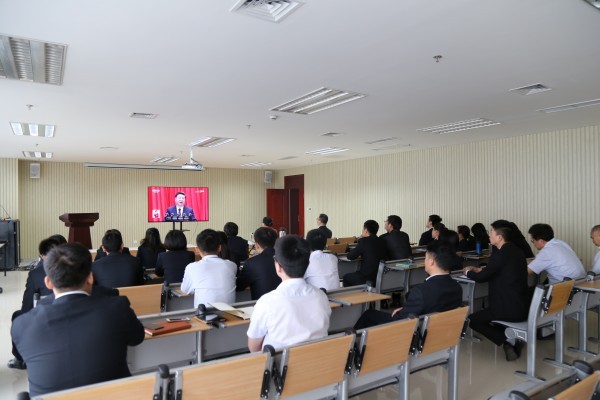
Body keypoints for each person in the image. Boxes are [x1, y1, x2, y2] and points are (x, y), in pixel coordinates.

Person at [11, 243, 145, 397]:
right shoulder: (118, 308)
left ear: (48, 282)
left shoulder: (22, 324)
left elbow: (24, 358)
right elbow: (137, 338)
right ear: (90, 277)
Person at [247, 235, 331, 351]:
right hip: (316, 363)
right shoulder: (321, 296)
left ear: (278, 266)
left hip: (278, 367)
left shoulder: (267, 302)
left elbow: (253, 347)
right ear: (307, 264)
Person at [354, 241, 463, 329]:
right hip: (441, 334)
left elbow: (402, 322)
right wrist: (406, 308)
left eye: (425, 258)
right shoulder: (457, 287)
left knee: (368, 315)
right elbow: (434, 305)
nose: (424, 261)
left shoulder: (420, 292)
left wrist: (402, 312)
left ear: (431, 261)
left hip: (415, 337)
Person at [464, 221, 530, 361]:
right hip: (521, 305)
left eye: (491, 232)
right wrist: (481, 269)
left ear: (500, 237)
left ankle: (507, 340)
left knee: (472, 320)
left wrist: (468, 273)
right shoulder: (516, 250)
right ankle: (511, 339)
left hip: (506, 308)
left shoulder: (501, 254)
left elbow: (482, 278)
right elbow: (498, 269)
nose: (489, 235)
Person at [7, 235, 65, 370]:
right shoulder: (79, 268)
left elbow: (27, 307)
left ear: (44, 256)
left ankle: (20, 359)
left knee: (17, 316)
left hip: (46, 320)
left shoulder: (36, 274)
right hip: (75, 315)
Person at [181, 229, 237, 307]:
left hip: (204, 316)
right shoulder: (232, 265)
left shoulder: (192, 268)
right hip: (231, 315)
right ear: (220, 248)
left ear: (197, 249)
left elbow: (185, 290)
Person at [236, 227, 281, 300]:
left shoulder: (251, 263)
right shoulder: (286, 259)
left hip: (260, 306)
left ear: (257, 245)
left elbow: (239, 286)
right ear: (276, 242)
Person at [343, 220, 385, 287]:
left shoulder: (363, 241)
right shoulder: (382, 241)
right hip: (381, 277)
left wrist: (360, 239)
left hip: (367, 278)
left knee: (346, 277)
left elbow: (350, 256)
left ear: (365, 230)